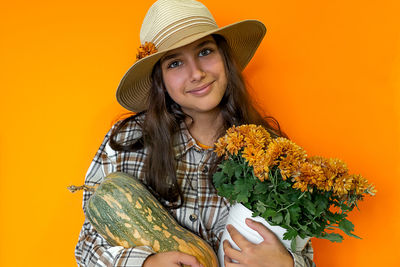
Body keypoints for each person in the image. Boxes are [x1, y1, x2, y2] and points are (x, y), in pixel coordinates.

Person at [75, 0, 315, 266]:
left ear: (225, 58)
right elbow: (87, 249)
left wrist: (286, 264)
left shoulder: (270, 151)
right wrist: (147, 263)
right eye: (175, 63)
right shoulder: (130, 141)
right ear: (160, 80)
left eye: (205, 52)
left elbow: (304, 251)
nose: (197, 73)